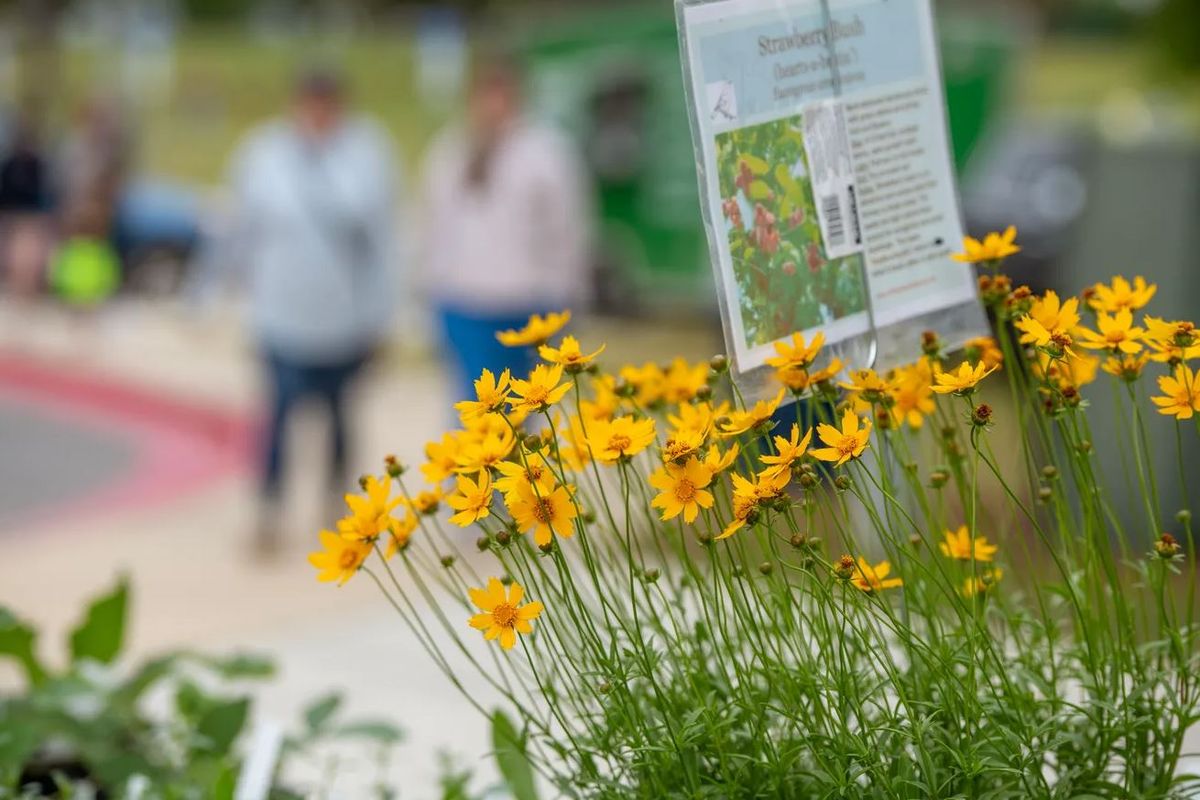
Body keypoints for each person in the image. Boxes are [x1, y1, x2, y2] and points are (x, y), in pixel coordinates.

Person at [218, 68, 400, 552]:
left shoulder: (365, 154)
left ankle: (336, 502)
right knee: (278, 413)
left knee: (341, 414)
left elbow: (381, 240)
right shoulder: (263, 153)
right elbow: (239, 230)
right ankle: (269, 509)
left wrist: (383, 313)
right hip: (281, 313)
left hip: (344, 317)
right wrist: (228, 293)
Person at [420, 54, 591, 401]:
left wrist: (570, 292)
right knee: (472, 409)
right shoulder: (449, 151)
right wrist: (429, 290)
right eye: (485, 92)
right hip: (463, 302)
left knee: (528, 406)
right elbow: (431, 226)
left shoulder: (546, 152)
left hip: (528, 303)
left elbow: (568, 229)